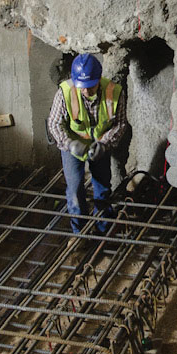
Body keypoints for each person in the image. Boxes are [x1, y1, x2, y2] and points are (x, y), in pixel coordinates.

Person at [48, 53, 128, 234]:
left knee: (102, 189)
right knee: (75, 190)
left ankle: (103, 230)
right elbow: (54, 123)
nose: (85, 91)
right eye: (82, 87)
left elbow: (120, 124)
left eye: (90, 87)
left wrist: (105, 144)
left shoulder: (114, 91)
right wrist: (69, 143)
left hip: (100, 146)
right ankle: (79, 233)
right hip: (73, 146)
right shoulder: (66, 92)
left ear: (99, 79)